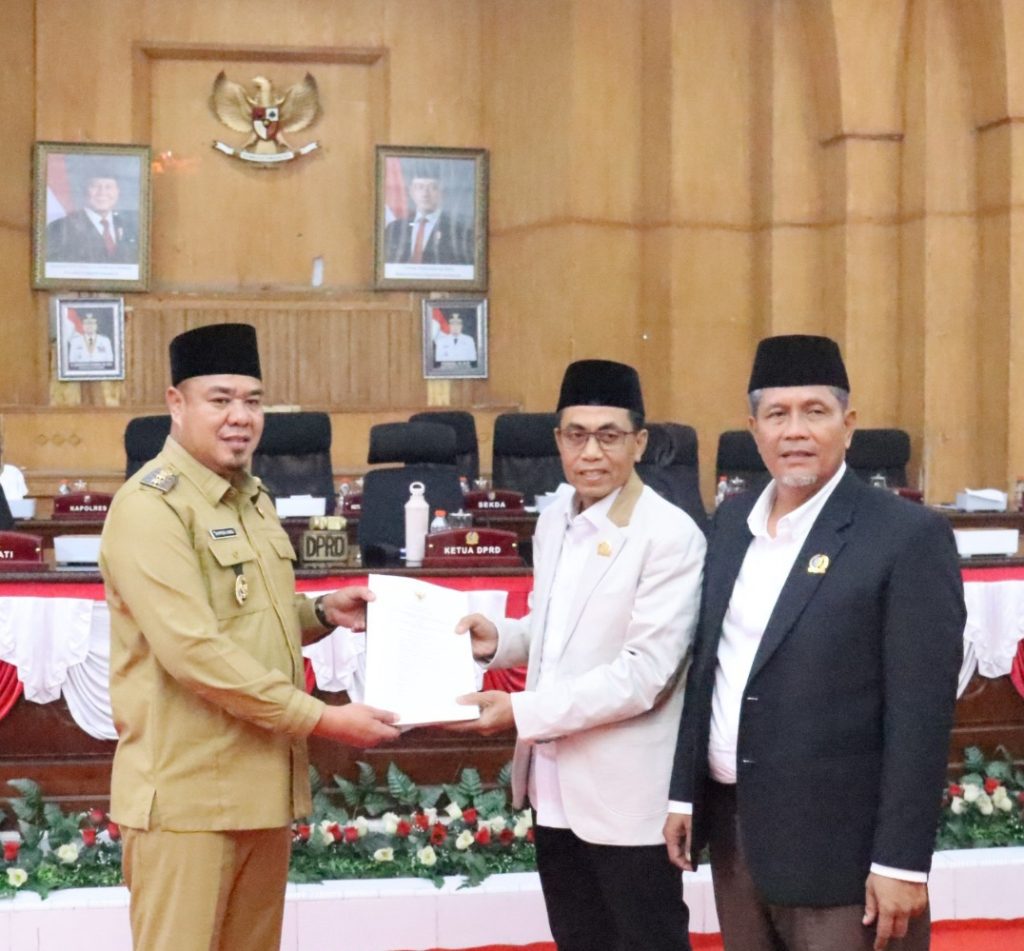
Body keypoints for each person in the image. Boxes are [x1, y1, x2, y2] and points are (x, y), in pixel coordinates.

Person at [99, 323, 400, 951]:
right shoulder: (151, 507)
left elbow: (246, 614)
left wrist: (321, 611)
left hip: (258, 792)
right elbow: (194, 652)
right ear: (176, 403)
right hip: (187, 801)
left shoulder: (250, 499)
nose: (240, 417)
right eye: (220, 399)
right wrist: (324, 720)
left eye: (253, 401)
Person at [664, 335, 965, 951]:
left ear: (848, 425)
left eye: (815, 412)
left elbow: (921, 715)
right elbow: (711, 669)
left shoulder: (905, 536)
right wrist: (684, 794)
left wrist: (902, 862)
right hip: (739, 840)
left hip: (844, 859)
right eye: (777, 414)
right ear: (754, 429)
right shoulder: (731, 524)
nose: (795, 430)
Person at [450, 359, 706, 951]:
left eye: (609, 436)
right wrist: (501, 640)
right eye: (576, 435)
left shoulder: (670, 536)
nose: (591, 452)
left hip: (624, 798)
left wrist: (522, 711)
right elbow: (559, 627)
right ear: (558, 441)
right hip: (554, 788)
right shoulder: (554, 520)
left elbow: (644, 675)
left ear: (639, 443)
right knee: (577, 938)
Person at [46, 169, 139, 264]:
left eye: (109, 187)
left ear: (118, 192)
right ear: (84, 191)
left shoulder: (131, 228)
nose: (102, 192)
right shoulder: (60, 227)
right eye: (95, 186)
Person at [383, 168, 475, 265]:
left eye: (433, 188)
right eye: (420, 187)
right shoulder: (395, 228)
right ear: (412, 192)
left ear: (442, 193)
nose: (425, 194)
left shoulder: (458, 231)